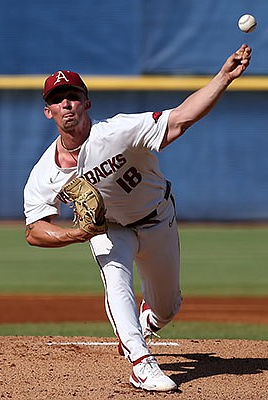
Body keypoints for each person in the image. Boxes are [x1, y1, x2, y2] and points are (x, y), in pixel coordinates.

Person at [23, 44, 252, 392]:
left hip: (158, 217)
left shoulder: (116, 132)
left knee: (168, 308)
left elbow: (181, 118)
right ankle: (140, 363)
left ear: (87, 103)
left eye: (72, 96)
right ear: (48, 112)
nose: (66, 104)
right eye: (58, 99)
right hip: (110, 229)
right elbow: (34, 230)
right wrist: (77, 233)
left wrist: (223, 77)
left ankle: (148, 320)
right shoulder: (45, 172)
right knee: (116, 282)